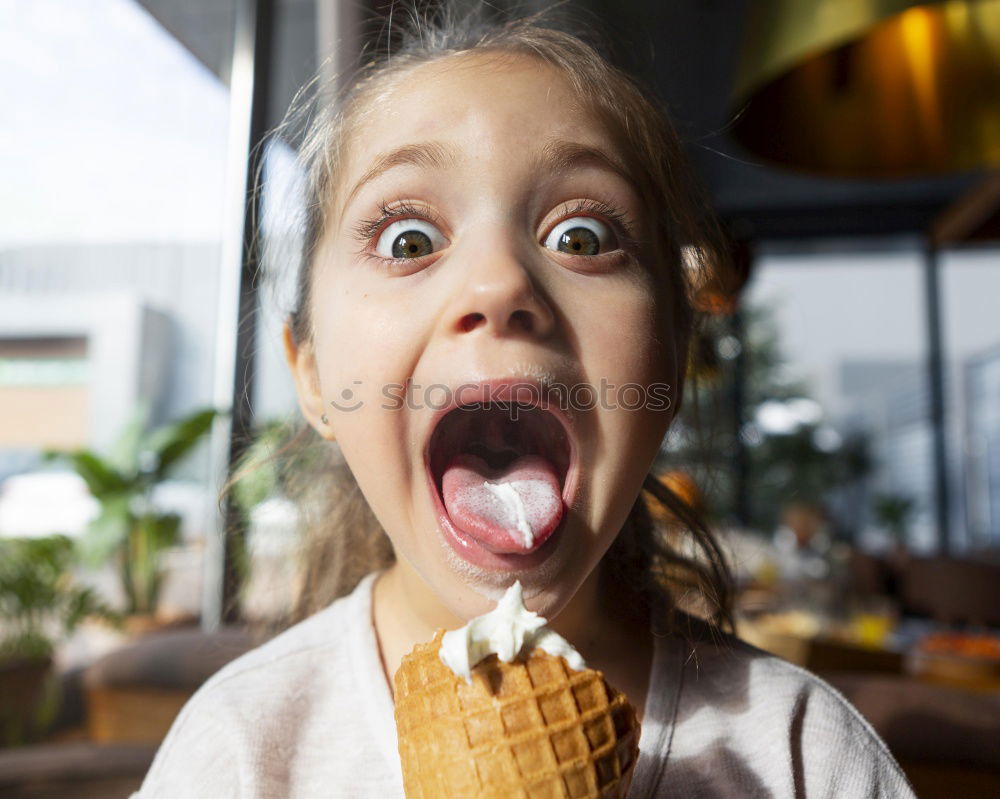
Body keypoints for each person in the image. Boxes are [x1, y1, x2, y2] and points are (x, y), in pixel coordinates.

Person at [135, 3, 914, 796]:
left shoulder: (801, 755)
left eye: (581, 236)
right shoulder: (242, 749)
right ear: (311, 375)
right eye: (409, 239)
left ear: (673, 361)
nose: (499, 283)